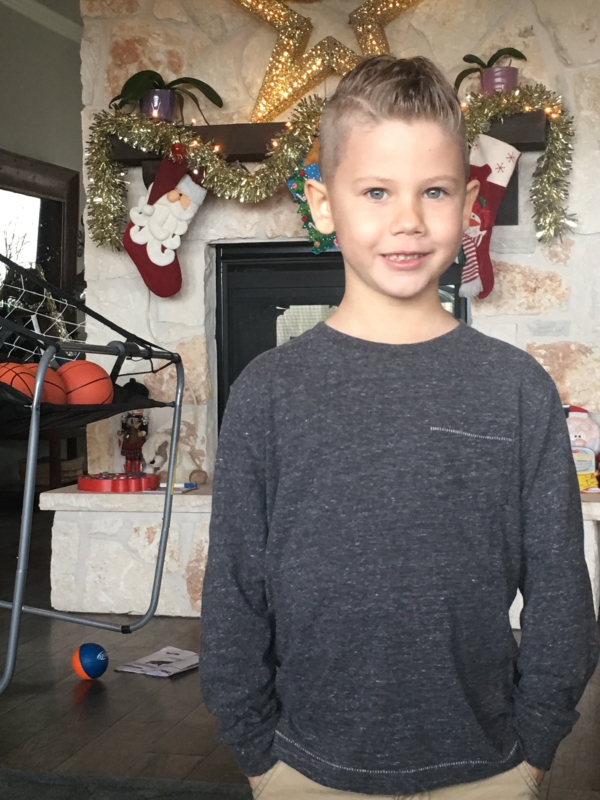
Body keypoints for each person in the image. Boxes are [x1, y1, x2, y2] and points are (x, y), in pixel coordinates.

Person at [199, 55, 599, 799]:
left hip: (489, 767)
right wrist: (257, 751)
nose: (408, 221)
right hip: (301, 768)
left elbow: (560, 591)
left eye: (435, 191)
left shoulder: (517, 391)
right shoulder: (269, 392)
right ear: (323, 205)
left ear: (470, 203)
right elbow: (233, 592)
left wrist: (536, 746)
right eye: (377, 191)